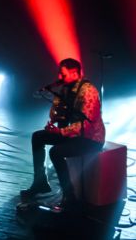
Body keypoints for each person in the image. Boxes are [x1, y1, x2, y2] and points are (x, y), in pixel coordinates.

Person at [20, 58, 105, 211]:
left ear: (75, 73)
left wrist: (60, 131)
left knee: (56, 152)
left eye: (63, 74)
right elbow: (59, 114)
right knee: (38, 136)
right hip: (72, 134)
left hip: (90, 138)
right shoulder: (66, 89)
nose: (59, 77)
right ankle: (40, 182)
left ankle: (69, 196)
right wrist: (54, 120)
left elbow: (86, 125)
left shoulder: (89, 92)